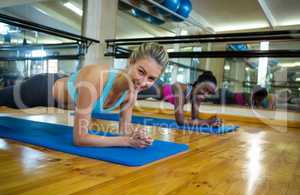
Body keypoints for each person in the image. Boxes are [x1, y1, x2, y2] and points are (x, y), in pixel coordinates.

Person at [0, 43, 169, 148]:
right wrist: (126, 141)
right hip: (42, 89)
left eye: (151, 78)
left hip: (62, 93)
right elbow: (80, 138)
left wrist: (135, 136)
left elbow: (123, 131)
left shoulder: (130, 95)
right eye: (141, 71)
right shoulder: (97, 77)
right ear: (130, 62)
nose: (143, 81)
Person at [138, 71, 222, 127]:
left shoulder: (197, 97)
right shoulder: (180, 89)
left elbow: (195, 119)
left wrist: (211, 121)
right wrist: (206, 122)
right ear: (197, 84)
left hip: (154, 89)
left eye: (209, 93)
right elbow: (180, 121)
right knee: (126, 95)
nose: (205, 94)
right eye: (205, 89)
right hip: (152, 87)